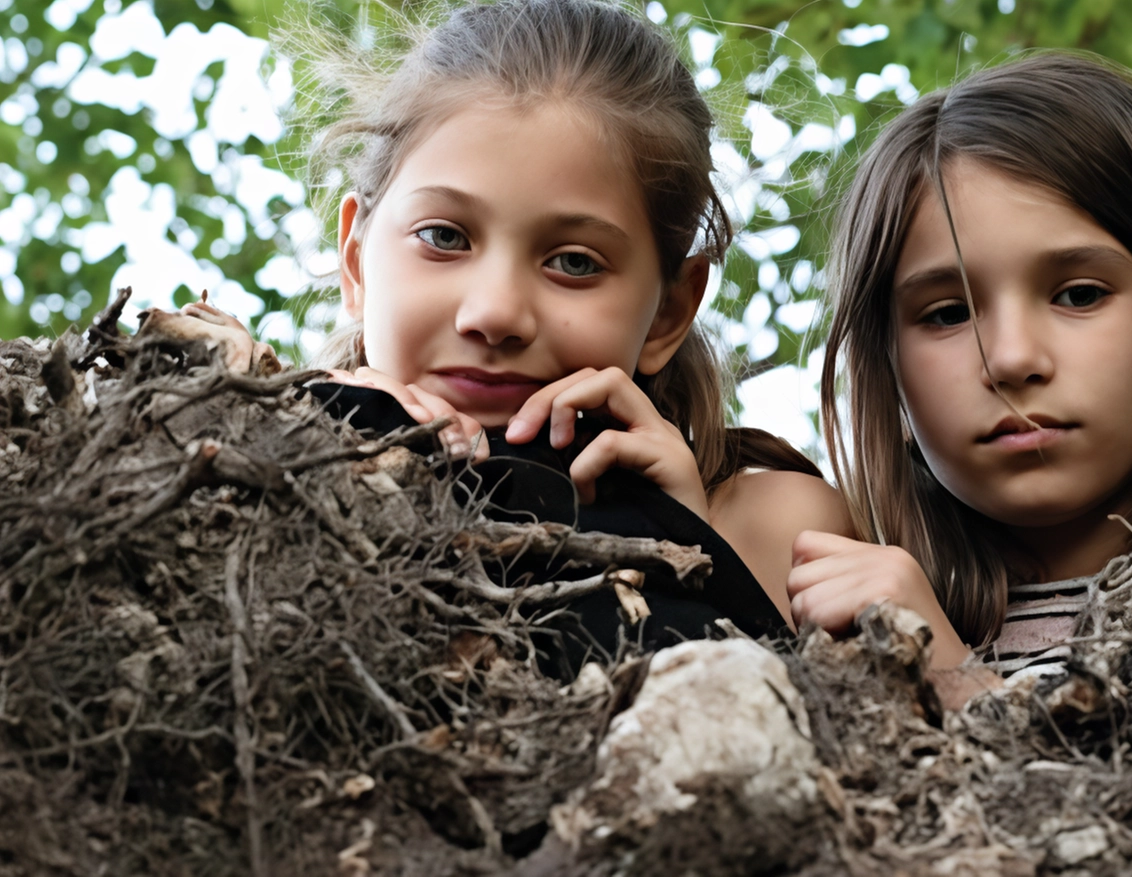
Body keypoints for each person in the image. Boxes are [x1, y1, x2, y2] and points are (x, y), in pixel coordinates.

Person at [222, 0, 852, 668]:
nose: (493, 314)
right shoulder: (239, 464)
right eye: (444, 237)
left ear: (668, 312)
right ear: (357, 260)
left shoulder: (778, 528)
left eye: (574, 262)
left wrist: (678, 540)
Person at [791, 52, 1132, 700]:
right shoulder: (836, 621)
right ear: (886, 365)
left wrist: (947, 671)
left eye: (1079, 295)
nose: (1009, 359)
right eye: (946, 313)